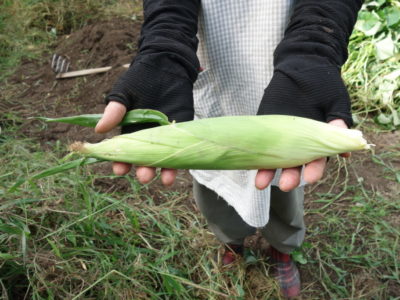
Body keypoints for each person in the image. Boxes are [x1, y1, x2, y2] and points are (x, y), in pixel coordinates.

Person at [94, 0, 363, 298]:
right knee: (215, 186)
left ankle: (283, 249)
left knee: (284, 186)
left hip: (287, 69)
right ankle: (231, 243)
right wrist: (166, 42)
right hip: (211, 69)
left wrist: (315, 45)